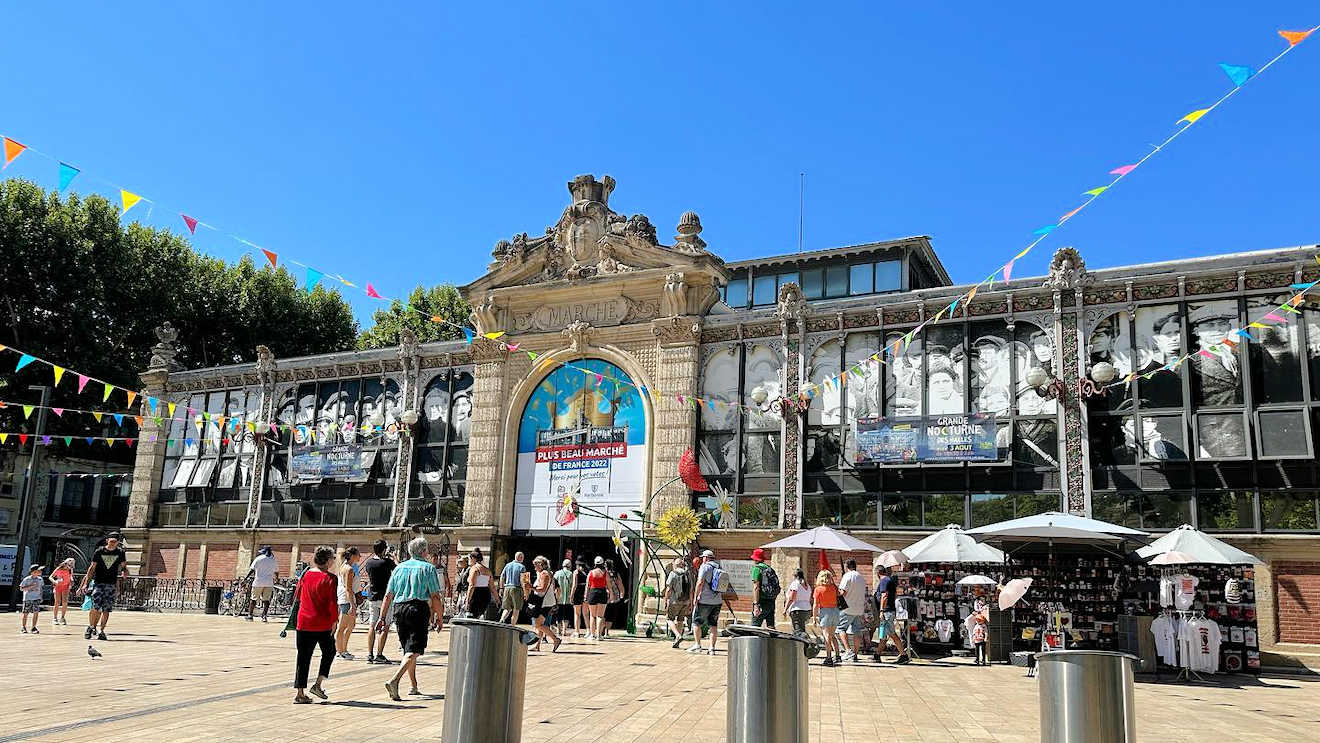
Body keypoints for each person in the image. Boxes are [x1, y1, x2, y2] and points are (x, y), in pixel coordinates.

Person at [378, 537, 444, 701]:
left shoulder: (399, 568)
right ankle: (394, 680)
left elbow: (388, 595)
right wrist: (440, 617)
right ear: (423, 551)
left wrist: (382, 617)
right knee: (414, 650)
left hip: (399, 609)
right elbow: (435, 596)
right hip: (417, 609)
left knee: (408, 650)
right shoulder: (428, 568)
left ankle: (413, 686)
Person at [292, 546, 339, 704]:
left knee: (303, 657)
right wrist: (335, 620)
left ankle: (300, 692)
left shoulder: (306, 574)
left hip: (303, 621)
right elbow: (332, 602)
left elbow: (297, 595)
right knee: (330, 651)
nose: (334, 560)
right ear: (327, 560)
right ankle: (318, 684)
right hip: (322, 623)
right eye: (333, 558)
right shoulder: (330, 578)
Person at [79, 532, 129, 641]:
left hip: (111, 584)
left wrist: (124, 572)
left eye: (115, 542)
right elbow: (92, 568)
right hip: (98, 582)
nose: (113, 544)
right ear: (107, 541)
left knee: (106, 609)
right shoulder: (99, 551)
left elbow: (124, 566)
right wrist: (85, 584)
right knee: (95, 607)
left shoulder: (120, 552)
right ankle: (91, 627)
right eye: (111, 542)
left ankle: (102, 631)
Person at [362, 540, 397, 664]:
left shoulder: (369, 562)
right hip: (385, 598)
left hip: (373, 596)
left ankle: (369, 654)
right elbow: (398, 570)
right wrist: (394, 557)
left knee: (372, 625)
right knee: (385, 626)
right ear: (384, 549)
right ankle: (379, 654)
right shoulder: (387, 562)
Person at [690, 550, 725, 655]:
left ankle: (697, 645)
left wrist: (695, 597)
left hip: (704, 600)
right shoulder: (719, 567)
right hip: (717, 601)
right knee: (713, 625)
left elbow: (700, 582)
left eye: (703, 557)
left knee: (696, 622)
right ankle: (712, 648)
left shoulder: (704, 567)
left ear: (706, 558)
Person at [873, 565, 909, 664]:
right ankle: (877, 654)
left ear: (878, 573)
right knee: (883, 634)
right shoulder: (890, 581)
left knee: (892, 634)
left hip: (886, 612)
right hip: (888, 611)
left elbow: (884, 596)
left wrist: (881, 611)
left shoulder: (884, 581)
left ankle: (903, 655)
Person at [527, 556, 562, 652]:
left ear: (540, 565)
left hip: (545, 603)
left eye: (535, 565)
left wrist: (531, 587)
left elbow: (542, 589)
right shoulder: (542, 573)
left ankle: (555, 639)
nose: (534, 567)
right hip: (545, 602)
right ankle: (537, 645)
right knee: (540, 624)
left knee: (538, 625)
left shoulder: (545, 574)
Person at [836, 559, 867, 663]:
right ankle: (855, 654)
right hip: (859, 608)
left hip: (847, 608)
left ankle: (848, 650)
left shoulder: (847, 576)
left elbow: (843, 592)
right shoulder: (861, 577)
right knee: (857, 631)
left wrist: (838, 593)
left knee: (840, 628)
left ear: (846, 566)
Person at [334, 547, 362, 659]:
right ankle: (339, 651)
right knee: (342, 626)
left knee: (351, 625)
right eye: (358, 555)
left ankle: (344, 649)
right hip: (347, 600)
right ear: (353, 556)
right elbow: (348, 589)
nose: (360, 557)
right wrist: (352, 605)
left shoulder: (345, 567)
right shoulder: (349, 569)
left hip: (347, 598)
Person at [813, 570, 841, 666]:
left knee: (826, 636)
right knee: (832, 635)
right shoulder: (834, 588)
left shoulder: (818, 589)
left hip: (825, 612)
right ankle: (838, 655)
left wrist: (814, 617)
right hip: (835, 611)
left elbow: (816, 604)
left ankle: (828, 658)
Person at [663, 557, 692, 649]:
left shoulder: (673, 573)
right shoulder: (688, 574)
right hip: (686, 602)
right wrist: (691, 603)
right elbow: (691, 590)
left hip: (675, 601)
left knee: (669, 618)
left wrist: (665, 600)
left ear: (675, 565)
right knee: (680, 620)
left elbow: (669, 589)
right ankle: (677, 641)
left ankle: (677, 635)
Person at [246, 546, 279, 623]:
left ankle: (250, 615)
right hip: (269, 583)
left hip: (258, 582)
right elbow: (276, 571)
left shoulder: (258, 558)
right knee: (266, 600)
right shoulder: (273, 560)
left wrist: (246, 578)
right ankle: (264, 616)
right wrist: (277, 579)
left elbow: (252, 570)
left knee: (253, 599)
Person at [749, 548, 779, 629]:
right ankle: (772, 641)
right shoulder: (769, 569)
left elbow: (756, 587)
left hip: (761, 602)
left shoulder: (757, 569)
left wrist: (756, 604)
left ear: (755, 559)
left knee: (754, 627)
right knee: (771, 627)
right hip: (771, 601)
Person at [499, 552, 529, 624]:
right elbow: (523, 580)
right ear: (521, 558)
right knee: (516, 609)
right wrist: (526, 592)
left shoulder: (507, 565)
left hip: (507, 588)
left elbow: (502, 577)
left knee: (507, 608)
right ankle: (513, 626)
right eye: (522, 557)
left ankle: (502, 619)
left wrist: (501, 588)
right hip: (517, 588)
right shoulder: (522, 567)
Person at [585, 556, 610, 640]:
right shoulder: (605, 573)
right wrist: (611, 595)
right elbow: (609, 584)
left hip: (592, 593)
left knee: (592, 615)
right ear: (602, 563)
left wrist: (585, 596)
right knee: (600, 615)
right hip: (602, 592)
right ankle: (599, 635)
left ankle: (592, 635)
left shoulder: (591, 572)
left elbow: (587, 586)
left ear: (595, 563)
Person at [783, 569, 812, 636]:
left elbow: (791, 598)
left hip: (797, 609)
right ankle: (804, 643)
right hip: (807, 609)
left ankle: (806, 643)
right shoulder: (807, 585)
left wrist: (785, 609)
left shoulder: (795, 584)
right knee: (802, 629)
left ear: (794, 576)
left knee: (798, 631)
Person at [465, 549, 493, 618]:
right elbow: (492, 586)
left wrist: (467, 600)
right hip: (486, 593)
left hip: (476, 594)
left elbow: (472, 585)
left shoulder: (474, 569)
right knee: (480, 615)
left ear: (473, 559)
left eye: (470, 559)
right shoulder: (488, 570)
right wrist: (497, 599)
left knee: (470, 616)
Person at [602, 559, 625, 638]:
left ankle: (601, 630)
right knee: (610, 615)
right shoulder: (615, 574)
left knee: (603, 614)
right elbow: (620, 584)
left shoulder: (603, 573)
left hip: (605, 596)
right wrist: (621, 594)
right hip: (614, 597)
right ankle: (606, 632)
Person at [19, 564, 44, 634]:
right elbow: (21, 588)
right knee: (25, 613)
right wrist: (31, 586)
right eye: (39, 570)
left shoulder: (40, 579)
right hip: (28, 598)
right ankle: (23, 627)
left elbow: (41, 588)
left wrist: (41, 596)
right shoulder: (27, 579)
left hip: (36, 598)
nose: (40, 571)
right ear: (33, 572)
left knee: (36, 613)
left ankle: (33, 627)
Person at [553, 559, 575, 638]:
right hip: (568, 598)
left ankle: (558, 630)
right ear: (570, 566)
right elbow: (573, 585)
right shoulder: (570, 574)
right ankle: (564, 630)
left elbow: (553, 584)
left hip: (559, 598)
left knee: (558, 614)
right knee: (566, 615)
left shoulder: (557, 573)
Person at [50, 558, 74, 626]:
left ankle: (62, 618)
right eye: (69, 565)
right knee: (57, 602)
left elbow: (70, 576)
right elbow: (51, 577)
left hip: (66, 587)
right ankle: (55, 618)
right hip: (58, 586)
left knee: (65, 602)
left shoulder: (70, 570)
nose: (70, 567)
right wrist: (55, 581)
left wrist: (71, 581)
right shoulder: (59, 568)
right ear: (66, 564)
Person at [570, 559, 589, 638]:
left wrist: (571, 596)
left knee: (577, 614)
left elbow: (574, 585)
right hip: (585, 592)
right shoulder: (587, 572)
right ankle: (588, 630)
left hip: (578, 592)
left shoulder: (576, 572)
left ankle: (577, 631)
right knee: (586, 613)